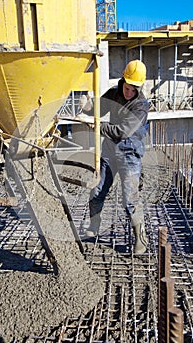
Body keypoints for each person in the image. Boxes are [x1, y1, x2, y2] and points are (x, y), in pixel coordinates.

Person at [84, 59, 149, 254]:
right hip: (110, 151)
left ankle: (140, 239)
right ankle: (94, 226)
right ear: (123, 80)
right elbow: (98, 108)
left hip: (129, 153)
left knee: (130, 198)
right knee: (97, 190)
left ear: (140, 87)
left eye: (133, 90)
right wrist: (88, 105)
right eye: (127, 88)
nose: (129, 93)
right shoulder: (114, 92)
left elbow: (122, 131)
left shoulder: (141, 106)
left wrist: (99, 127)